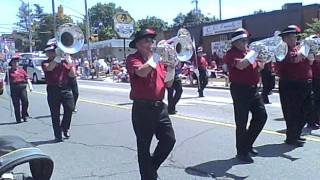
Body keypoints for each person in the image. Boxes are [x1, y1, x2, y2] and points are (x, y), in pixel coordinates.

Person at [126, 28, 176, 180]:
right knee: (144, 146)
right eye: (146, 40)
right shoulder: (133, 58)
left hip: (160, 107)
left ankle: (151, 169)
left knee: (169, 139)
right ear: (138, 44)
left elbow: (168, 84)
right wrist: (156, 57)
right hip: (142, 108)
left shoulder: (158, 61)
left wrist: (172, 68)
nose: (150, 43)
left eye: (151, 40)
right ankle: (148, 176)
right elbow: (141, 72)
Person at [224, 28, 267, 163]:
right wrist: (254, 54)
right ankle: (241, 152)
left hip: (253, 89)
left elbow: (259, 67)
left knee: (261, 116)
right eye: (243, 40)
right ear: (236, 42)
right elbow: (241, 65)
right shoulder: (231, 54)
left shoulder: (248, 52)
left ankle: (247, 144)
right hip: (240, 90)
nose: (246, 42)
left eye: (247, 40)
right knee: (242, 122)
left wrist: (264, 58)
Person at [277, 25, 315, 147]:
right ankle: (291, 137)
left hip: (305, 83)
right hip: (291, 84)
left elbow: (311, 61)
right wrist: (306, 47)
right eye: (293, 37)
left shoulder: (299, 48)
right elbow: (296, 59)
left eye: (296, 36)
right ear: (286, 38)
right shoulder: (282, 49)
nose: (296, 39)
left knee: (307, 111)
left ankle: (296, 134)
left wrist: (310, 52)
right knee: (292, 112)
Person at [42, 40, 76, 142]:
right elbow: (50, 68)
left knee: (70, 108)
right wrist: (58, 58)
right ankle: (58, 135)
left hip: (65, 88)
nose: (51, 53)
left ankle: (65, 128)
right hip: (53, 89)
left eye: (53, 51)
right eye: (50, 52)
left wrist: (70, 62)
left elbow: (72, 75)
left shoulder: (64, 62)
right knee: (55, 114)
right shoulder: (45, 62)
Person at [5, 55, 33, 123]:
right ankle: (18, 118)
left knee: (25, 101)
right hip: (14, 88)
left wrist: (30, 86)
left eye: (17, 62)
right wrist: (7, 89)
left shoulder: (22, 70)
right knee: (16, 104)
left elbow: (27, 78)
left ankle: (24, 115)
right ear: (11, 63)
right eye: (14, 62)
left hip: (22, 87)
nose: (16, 63)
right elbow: (6, 81)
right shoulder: (8, 72)